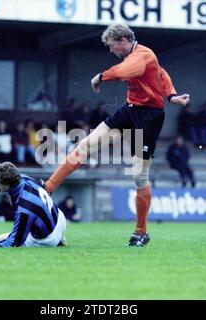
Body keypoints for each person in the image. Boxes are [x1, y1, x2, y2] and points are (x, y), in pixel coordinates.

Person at [43, 23, 190, 246]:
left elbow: (124, 72)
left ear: (123, 40)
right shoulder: (138, 57)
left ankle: (141, 232)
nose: (111, 51)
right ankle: (47, 190)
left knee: (139, 176)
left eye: (112, 46)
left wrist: (99, 77)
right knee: (85, 146)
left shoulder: (142, 56)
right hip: (130, 110)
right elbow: (161, 72)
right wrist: (172, 95)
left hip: (149, 118)